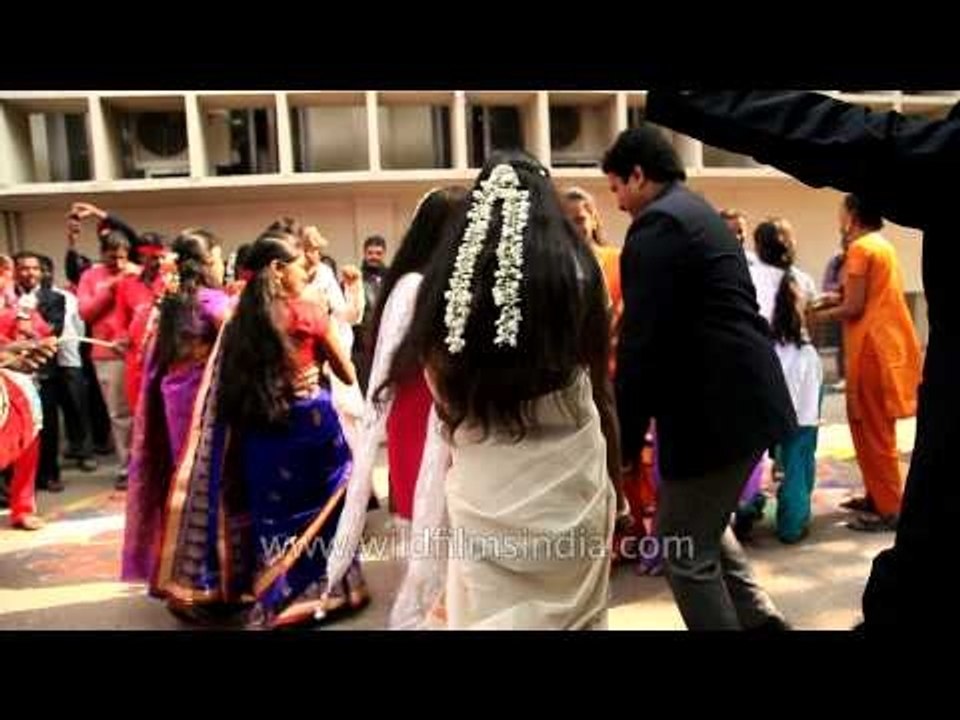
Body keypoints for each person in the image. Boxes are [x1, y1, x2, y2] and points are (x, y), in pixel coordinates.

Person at [642, 89, 945, 629]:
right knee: (815, 446)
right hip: (830, 363)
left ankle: (880, 505)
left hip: (854, 355)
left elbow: (866, 140)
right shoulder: (834, 264)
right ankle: (866, 505)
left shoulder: (860, 250)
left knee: (853, 439)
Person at [389, 152, 620, 629]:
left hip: (486, 482)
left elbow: (441, 391)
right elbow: (600, 389)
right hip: (572, 485)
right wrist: (614, 485)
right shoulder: (580, 275)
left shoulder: (451, 286)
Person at [603, 126, 795, 630]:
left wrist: (621, 441)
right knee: (701, 531)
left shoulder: (658, 226)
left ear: (639, 175)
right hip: (740, 401)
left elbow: (644, 344)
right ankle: (763, 624)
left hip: (717, 409)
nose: (618, 202)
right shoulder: (694, 211)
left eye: (617, 187)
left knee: (682, 546)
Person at [153, 231, 367, 629]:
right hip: (311, 428)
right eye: (301, 265)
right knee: (329, 501)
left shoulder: (237, 320)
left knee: (274, 515)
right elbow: (348, 374)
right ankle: (328, 592)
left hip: (260, 433)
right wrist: (317, 367)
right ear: (278, 269)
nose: (306, 272)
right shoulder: (309, 313)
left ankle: (275, 596)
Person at [325, 186, 469, 599]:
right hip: (420, 410)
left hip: (445, 411)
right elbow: (398, 359)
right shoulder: (412, 285)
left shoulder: (443, 281)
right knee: (428, 524)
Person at [122, 231, 231, 587]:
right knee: (211, 480)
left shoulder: (168, 303)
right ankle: (208, 577)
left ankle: (173, 572)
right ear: (206, 262)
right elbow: (238, 342)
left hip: (172, 395)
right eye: (216, 256)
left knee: (179, 477)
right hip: (204, 399)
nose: (220, 262)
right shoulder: (212, 301)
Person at [809, 194, 921, 532]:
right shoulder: (880, 245)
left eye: (841, 212)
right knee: (865, 427)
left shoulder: (860, 248)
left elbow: (855, 307)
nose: (838, 218)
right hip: (880, 346)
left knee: (874, 431)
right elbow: (861, 295)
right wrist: (832, 299)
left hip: (872, 350)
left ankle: (890, 510)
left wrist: (814, 314)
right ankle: (877, 495)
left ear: (852, 215)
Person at [754, 221, 824, 542]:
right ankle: (792, 525)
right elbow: (810, 326)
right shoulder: (803, 280)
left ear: (758, 247)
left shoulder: (749, 279)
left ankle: (744, 512)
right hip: (804, 366)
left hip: (764, 366)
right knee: (798, 448)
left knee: (754, 447)